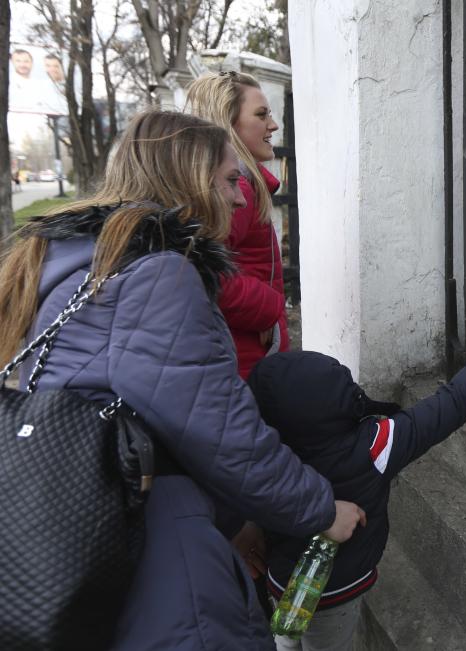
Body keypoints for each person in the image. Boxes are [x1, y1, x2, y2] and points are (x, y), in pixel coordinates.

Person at [0, 110, 366, 649]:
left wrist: (232, 521)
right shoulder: (158, 273)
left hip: (78, 527)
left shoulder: (79, 261)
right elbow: (220, 431)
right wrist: (319, 508)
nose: (240, 197)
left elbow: (159, 414)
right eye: (227, 179)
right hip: (154, 551)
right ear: (189, 178)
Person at [246, 342, 466, 651]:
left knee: (286, 634)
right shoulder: (374, 445)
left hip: (279, 577)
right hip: (336, 592)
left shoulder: (263, 456)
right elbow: (440, 412)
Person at [185, 71, 288, 381]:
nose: (273, 125)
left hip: (241, 354)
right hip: (242, 363)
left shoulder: (237, 185)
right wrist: (270, 310)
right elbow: (200, 268)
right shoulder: (238, 190)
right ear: (227, 124)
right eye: (261, 115)